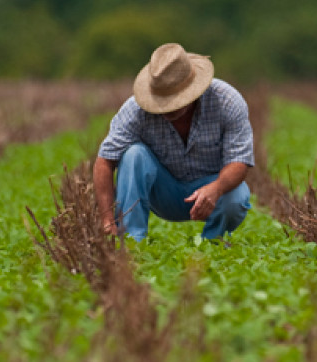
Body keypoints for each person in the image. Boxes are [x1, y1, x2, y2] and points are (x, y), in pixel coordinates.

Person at [93, 42, 254, 241]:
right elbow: (104, 161)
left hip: (211, 188)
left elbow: (239, 161)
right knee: (134, 155)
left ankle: (213, 244)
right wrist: (107, 219)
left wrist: (216, 188)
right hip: (163, 192)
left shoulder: (227, 101)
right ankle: (131, 241)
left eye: (174, 100)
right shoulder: (135, 110)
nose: (167, 108)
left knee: (236, 196)